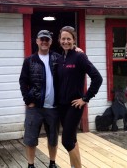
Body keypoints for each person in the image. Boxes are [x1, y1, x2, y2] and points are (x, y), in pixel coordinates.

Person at [55, 26, 103, 168]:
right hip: (62, 105)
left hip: (75, 104)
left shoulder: (79, 56)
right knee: (72, 139)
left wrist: (86, 98)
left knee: (67, 141)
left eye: (68, 39)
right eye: (63, 39)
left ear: (74, 40)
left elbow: (97, 78)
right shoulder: (60, 58)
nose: (66, 41)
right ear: (59, 40)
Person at [19, 30, 60, 168]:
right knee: (31, 139)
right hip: (34, 107)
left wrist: (77, 50)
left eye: (47, 39)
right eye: (41, 39)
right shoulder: (29, 60)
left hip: (53, 107)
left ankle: (52, 163)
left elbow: (70, 66)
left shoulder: (58, 59)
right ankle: (31, 165)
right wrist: (27, 100)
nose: (44, 42)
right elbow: (23, 81)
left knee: (53, 138)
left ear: (50, 42)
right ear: (36, 41)